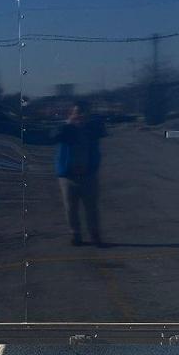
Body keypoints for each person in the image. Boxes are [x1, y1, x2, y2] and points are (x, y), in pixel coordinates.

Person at [53, 100, 106, 246]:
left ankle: (95, 235)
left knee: (91, 208)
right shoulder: (65, 129)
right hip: (67, 176)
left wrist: (93, 167)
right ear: (71, 114)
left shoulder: (91, 130)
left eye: (83, 113)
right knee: (71, 208)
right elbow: (52, 136)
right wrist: (68, 124)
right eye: (77, 113)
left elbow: (103, 131)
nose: (80, 116)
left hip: (88, 175)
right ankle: (75, 234)